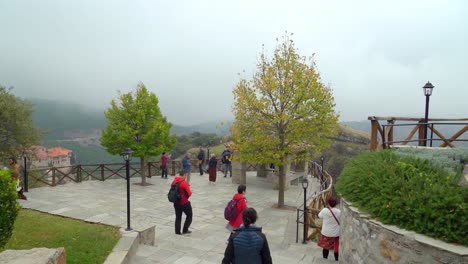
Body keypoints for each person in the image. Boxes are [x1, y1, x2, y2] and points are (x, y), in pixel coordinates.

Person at [318, 197, 341, 261]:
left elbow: (319, 216)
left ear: (328, 203)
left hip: (326, 232)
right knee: (336, 248)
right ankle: (337, 260)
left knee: (325, 247)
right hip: (335, 233)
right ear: (336, 204)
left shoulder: (325, 210)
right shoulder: (339, 212)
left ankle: (325, 260)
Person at [171, 170, 193, 235]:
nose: (186, 176)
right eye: (185, 175)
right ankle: (185, 230)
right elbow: (189, 193)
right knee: (189, 215)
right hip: (184, 202)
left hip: (176, 202)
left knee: (178, 217)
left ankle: (177, 232)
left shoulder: (174, 181)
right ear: (183, 175)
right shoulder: (184, 183)